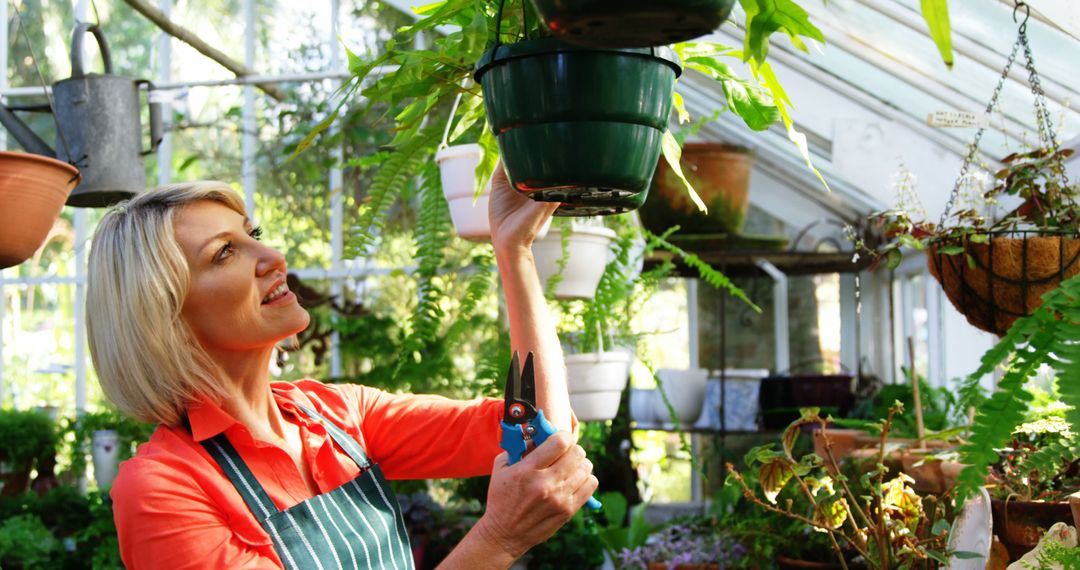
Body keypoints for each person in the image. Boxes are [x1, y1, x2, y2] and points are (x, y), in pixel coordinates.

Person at [86, 165, 598, 569]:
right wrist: (496, 540)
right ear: (165, 317)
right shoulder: (164, 489)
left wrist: (514, 249)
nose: (272, 256)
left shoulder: (335, 416)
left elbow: (541, 434)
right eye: (224, 254)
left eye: (253, 234)